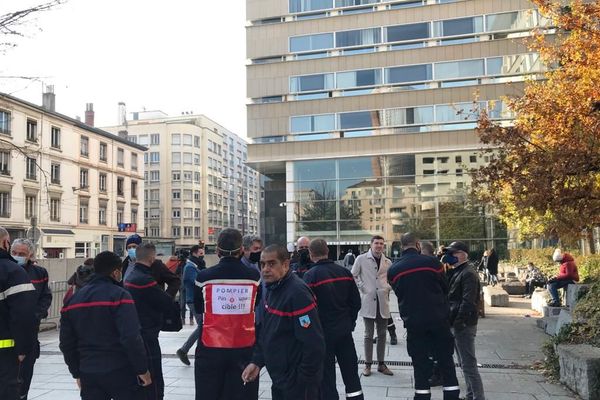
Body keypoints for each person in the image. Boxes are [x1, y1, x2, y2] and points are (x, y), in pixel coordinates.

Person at [60, 251, 151, 399]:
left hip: (89, 371)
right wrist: (142, 370)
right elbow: (131, 337)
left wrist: (76, 372)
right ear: (115, 272)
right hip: (121, 371)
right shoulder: (120, 296)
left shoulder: (73, 300)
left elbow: (66, 342)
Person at [242, 244, 325, 400]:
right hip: (281, 378)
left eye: (272, 264)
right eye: (263, 264)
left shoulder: (297, 293)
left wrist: (301, 381)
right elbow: (268, 331)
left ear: (286, 265)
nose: (265, 269)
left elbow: (314, 343)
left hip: (297, 384)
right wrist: (257, 361)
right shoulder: (273, 288)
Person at [388, 233, 460, 400]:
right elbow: (444, 288)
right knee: (446, 363)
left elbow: (399, 293)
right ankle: (451, 396)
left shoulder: (394, 270)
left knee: (420, 365)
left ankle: (421, 396)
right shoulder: (433, 264)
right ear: (418, 245)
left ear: (401, 246)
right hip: (438, 320)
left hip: (414, 323)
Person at [193, 228, 260, 400]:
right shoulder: (254, 277)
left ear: (217, 250)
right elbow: (257, 304)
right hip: (244, 346)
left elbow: (199, 308)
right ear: (242, 250)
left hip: (210, 347)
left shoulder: (203, 277)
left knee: (208, 393)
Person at [303, 238, 363, 400]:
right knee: (351, 373)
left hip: (323, 334)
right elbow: (356, 302)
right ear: (327, 251)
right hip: (344, 332)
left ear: (310, 253)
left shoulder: (310, 277)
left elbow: (307, 310)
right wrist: (349, 322)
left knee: (326, 377)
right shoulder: (344, 273)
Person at [124, 243, 176, 400]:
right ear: (152, 258)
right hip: (147, 332)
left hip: (135, 330)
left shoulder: (130, 275)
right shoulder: (145, 280)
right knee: (153, 379)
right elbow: (166, 302)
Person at [11, 238, 52, 400]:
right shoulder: (5, 270)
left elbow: (45, 298)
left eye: (22, 254)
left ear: (30, 255)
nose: (17, 256)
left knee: (24, 380)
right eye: (14, 253)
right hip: (9, 334)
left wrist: (34, 315)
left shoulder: (39, 273)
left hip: (30, 335)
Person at [443, 241, 485, 400]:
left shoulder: (468, 273)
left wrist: (459, 322)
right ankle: (470, 395)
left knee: (469, 365)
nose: (450, 256)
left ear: (463, 254)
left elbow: (468, 301)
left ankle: (478, 396)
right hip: (457, 322)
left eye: (453, 253)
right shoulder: (458, 270)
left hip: (463, 324)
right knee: (463, 364)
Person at [0, 227, 37, 400]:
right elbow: (23, 315)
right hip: (5, 355)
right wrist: (23, 348)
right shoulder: (12, 272)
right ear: (5, 243)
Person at [351, 235, 394, 376]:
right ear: (371, 244)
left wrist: (387, 287)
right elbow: (353, 275)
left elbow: (392, 278)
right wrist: (362, 287)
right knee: (368, 335)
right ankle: (367, 364)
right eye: (376, 243)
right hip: (368, 301)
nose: (379, 246)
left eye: (381, 243)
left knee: (382, 334)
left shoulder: (388, 262)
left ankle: (381, 364)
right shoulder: (361, 259)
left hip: (383, 301)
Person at [121, 233, 181, 298]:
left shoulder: (155, 264)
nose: (131, 249)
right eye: (129, 247)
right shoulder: (124, 265)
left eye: (134, 247)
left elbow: (175, 281)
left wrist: (166, 298)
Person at [176, 245, 206, 365]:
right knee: (202, 326)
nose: (202, 255)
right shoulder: (189, 267)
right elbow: (198, 282)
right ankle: (184, 350)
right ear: (194, 253)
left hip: (198, 299)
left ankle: (188, 350)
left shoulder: (196, 266)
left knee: (203, 325)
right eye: (200, 253)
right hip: (193, 300)